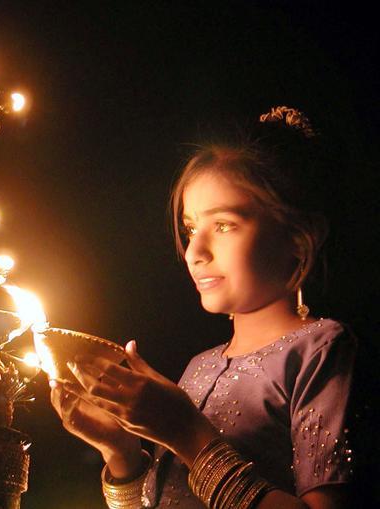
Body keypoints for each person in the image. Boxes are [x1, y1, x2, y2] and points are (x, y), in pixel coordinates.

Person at [50, 107, 358, 508]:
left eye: (225, 225)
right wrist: (121, 454)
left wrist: (186, 434)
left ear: (297, 239)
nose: (195, 251)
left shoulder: (321, 349)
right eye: (191, 228)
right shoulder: (199, 367)